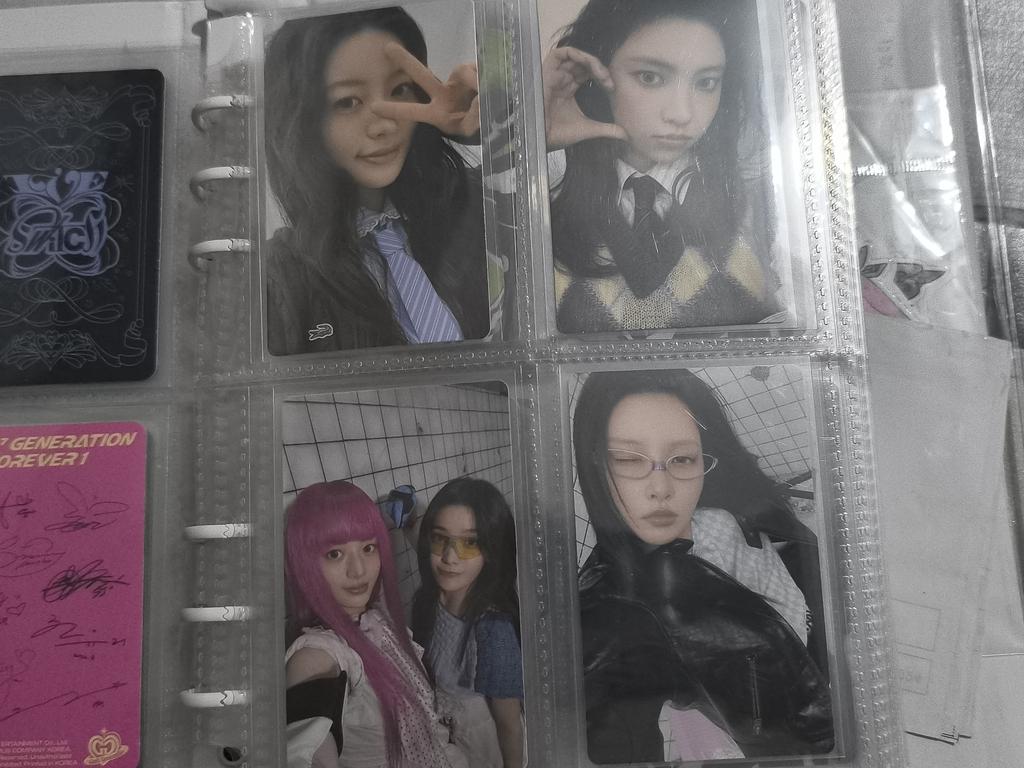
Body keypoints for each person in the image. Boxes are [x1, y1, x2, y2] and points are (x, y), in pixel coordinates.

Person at [572, 369, 833, 762]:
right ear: (596, 464)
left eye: (682, 459)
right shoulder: (610, 618)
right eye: (628, 459)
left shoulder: (724, 520)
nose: (661, 488)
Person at [543, 0, 781, 333]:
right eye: (650, 77)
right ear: (595, 76)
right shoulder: (537, 203)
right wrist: (529, 136)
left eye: (706, 82)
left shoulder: (770, 205)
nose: (682, 114)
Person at [264, 8, 489, 353]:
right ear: (301, 121)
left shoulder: (469, 207)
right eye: (347, 102)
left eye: (399, 90)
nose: (384, 124)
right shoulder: (281, 277)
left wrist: (493, 129)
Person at [284, 480, 466, 768]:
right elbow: (305, 750)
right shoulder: (318, 655)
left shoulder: (376, 619)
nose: (359, 571)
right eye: (335, 554)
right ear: (305, 562)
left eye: (368, 548)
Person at [411, 478, 524, 768]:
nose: (450, 557)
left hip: (482, 749)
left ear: (493, 550)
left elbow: (510, 725)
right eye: (440, 538)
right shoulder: (429, 599)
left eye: (470, 543)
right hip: (441, 739)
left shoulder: (492, 631)